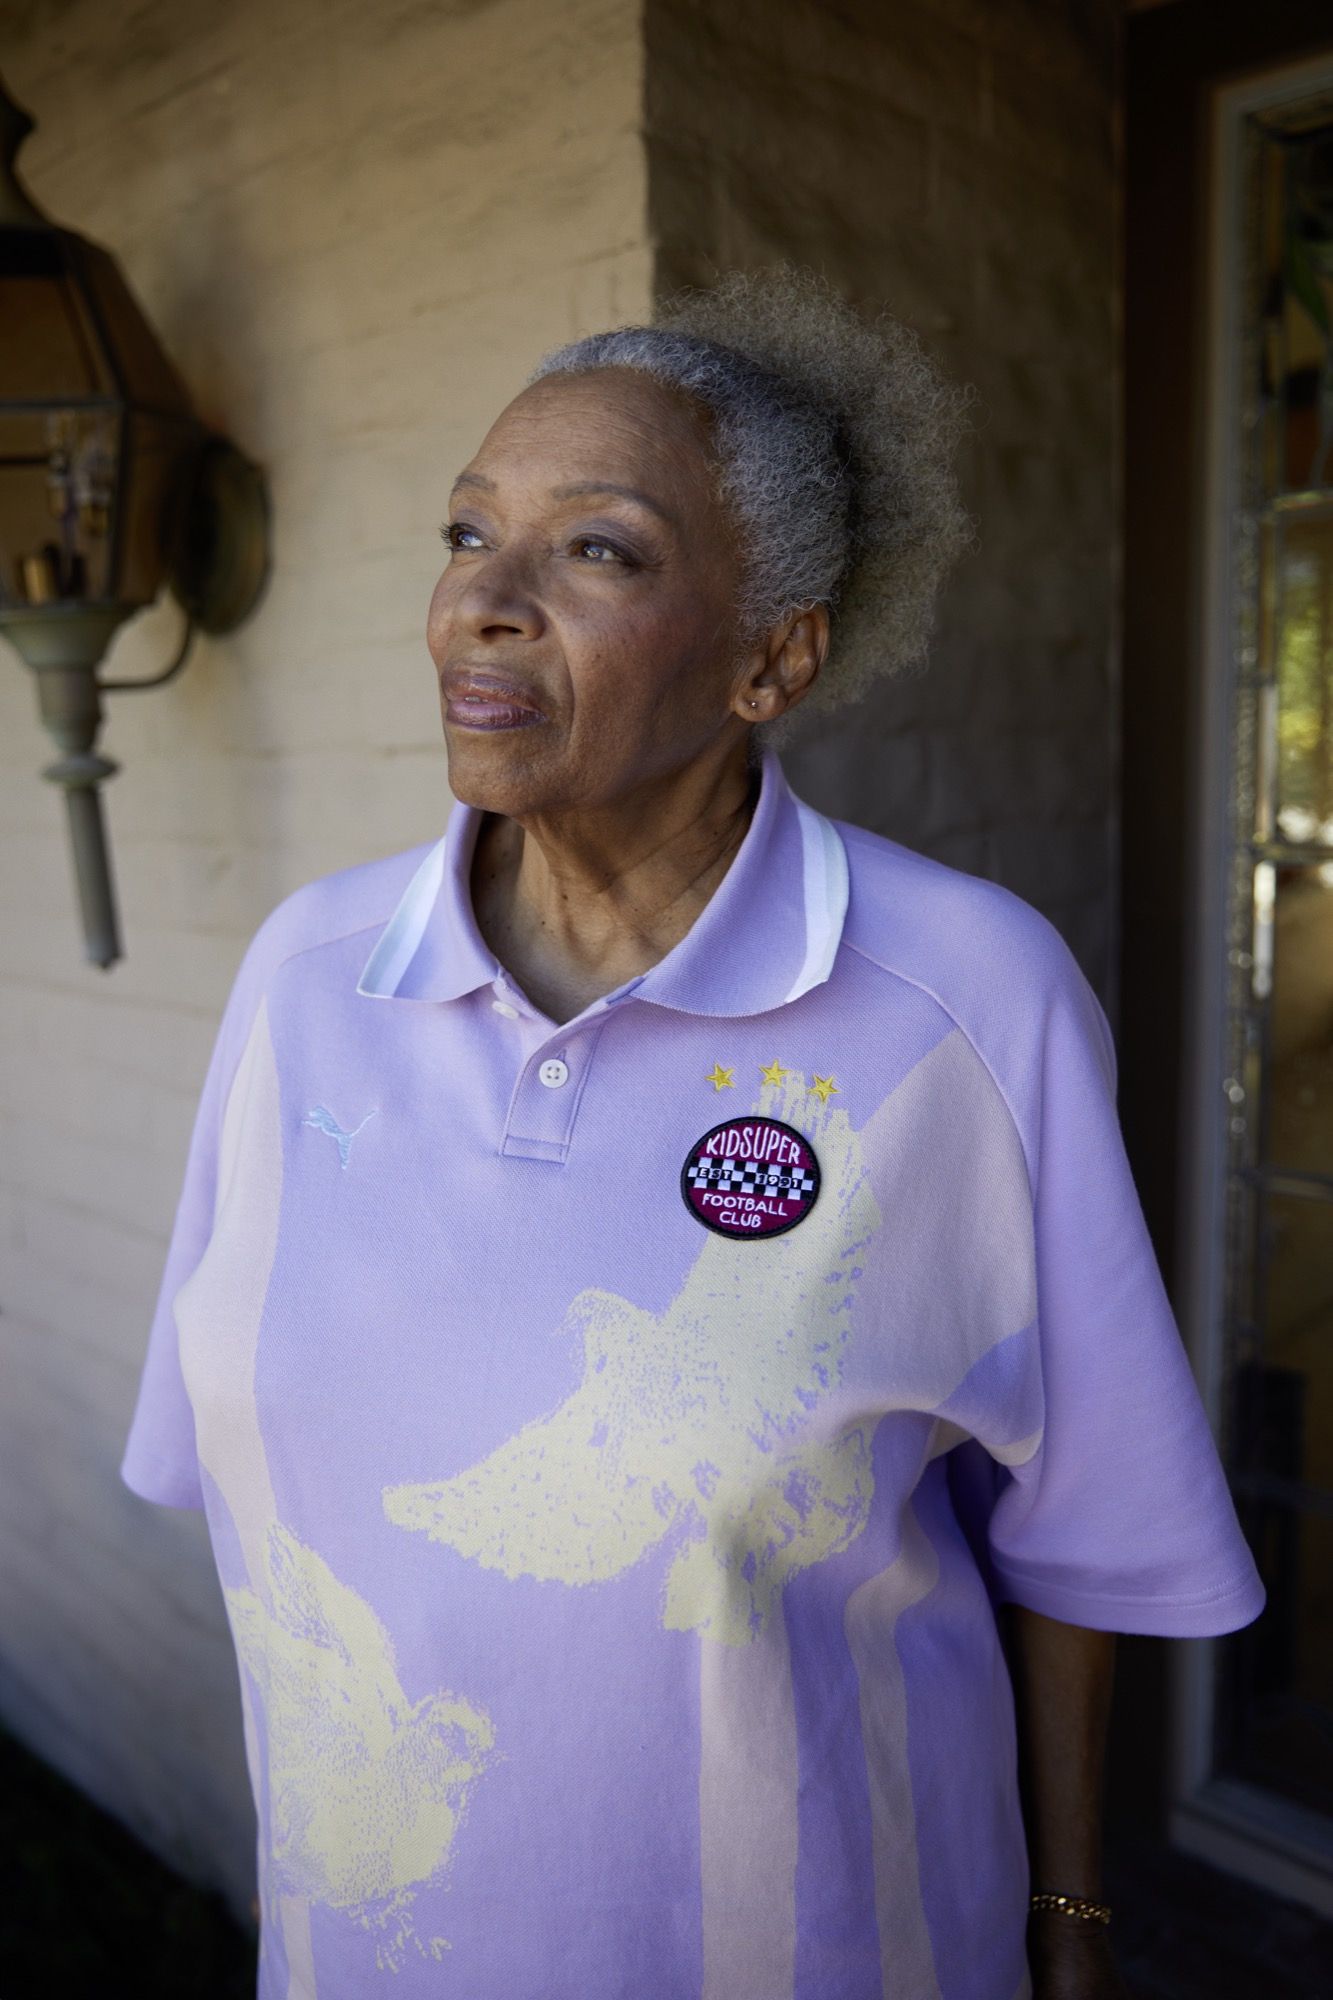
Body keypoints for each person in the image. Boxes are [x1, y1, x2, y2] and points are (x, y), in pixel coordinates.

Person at [121, 268, 1264, 2000]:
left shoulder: (963, 999)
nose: (481, 603)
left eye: (596, 550)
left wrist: (1069, 1926)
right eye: (466, 533)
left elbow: (1080, 1536)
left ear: (770, 656)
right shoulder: (306, 980)